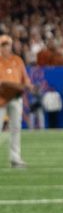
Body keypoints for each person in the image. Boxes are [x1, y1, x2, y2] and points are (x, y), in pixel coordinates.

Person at [0, 35, 30, 168]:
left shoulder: (18, 60)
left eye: (7, 44)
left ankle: (15, 158)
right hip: (1, 98)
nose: (6, 47)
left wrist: (28, 85)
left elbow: (25, 78)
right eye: (3, 45)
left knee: (16, 128)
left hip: (16, 97)